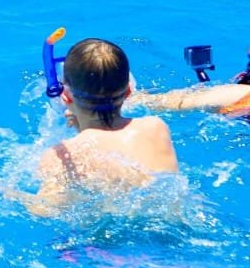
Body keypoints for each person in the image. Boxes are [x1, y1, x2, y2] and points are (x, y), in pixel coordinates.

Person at [23, 37, 179, 217]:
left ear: (65, 96)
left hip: (110, 231)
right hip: (169, 220)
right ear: (129, 91)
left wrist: (11, 194)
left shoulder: (61, 156)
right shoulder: (156, 127)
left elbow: (46, 210)